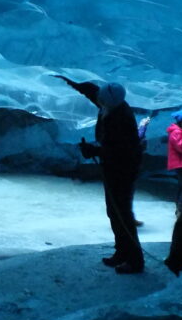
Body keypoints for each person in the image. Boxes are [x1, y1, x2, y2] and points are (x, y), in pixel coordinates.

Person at [56, 76, 144, 274]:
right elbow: (92, 91)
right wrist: (70, 80)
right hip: (113, 167)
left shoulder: (121, 118)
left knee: (122, 214)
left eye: (102, 99)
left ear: (109, 101)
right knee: (114, 212)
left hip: (123, 170)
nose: (99, 101)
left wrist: (93, 151)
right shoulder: (111, 103)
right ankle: (121, 253)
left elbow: (119, 149)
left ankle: (135, 261)